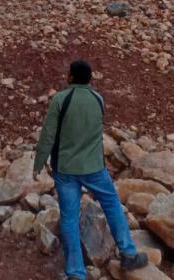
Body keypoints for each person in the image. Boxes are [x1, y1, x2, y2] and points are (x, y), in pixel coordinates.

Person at [34, 60, 148, 280]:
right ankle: (128, 253)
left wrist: (38, 164)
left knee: (69, 218)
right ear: (89, 79)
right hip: (94, 167)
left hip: (65, 169)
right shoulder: (98, 99)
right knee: (112, 204)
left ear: (71, 77)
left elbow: (48, 135)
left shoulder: (61, 99)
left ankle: (76, 272)